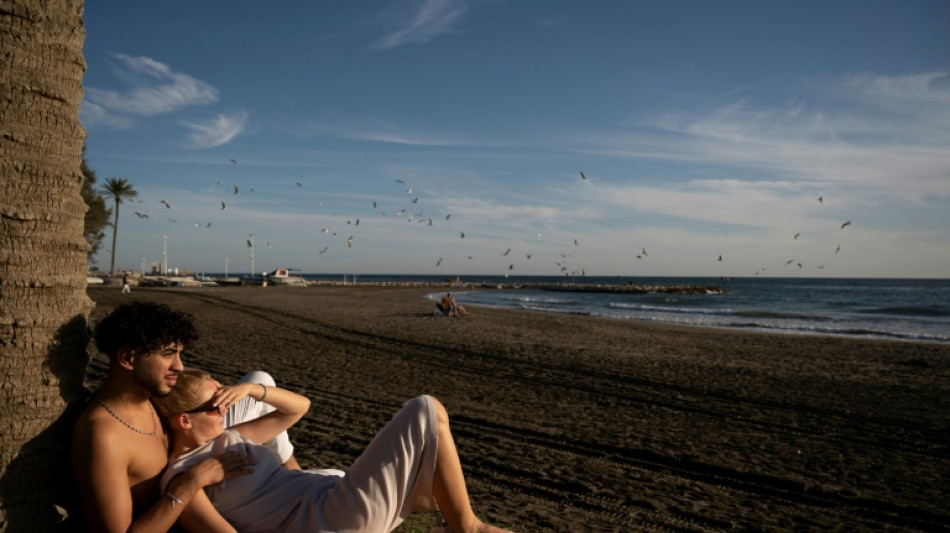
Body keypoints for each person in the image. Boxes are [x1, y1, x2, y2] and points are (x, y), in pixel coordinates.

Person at [153, 369, 518, 533]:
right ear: (184, 422)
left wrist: (250, 391)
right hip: (326, 519)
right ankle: (467, 527)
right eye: (217, 406)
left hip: (327, 494)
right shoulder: (187, 477)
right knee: (425, 408)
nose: (226, 409)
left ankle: (455, 523)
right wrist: (197, 481)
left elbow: (298, 408)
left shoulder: (226, 436)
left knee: (431, 417)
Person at [69, 301, 297, 532]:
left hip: (218, 490)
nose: (179, 366)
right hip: (193, 511)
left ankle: (293, 469)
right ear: (128, 358)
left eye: (179, 354)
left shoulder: (151, 399)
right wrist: (191, 482)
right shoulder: (105, 435)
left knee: (259, 380)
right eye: (168, 354)